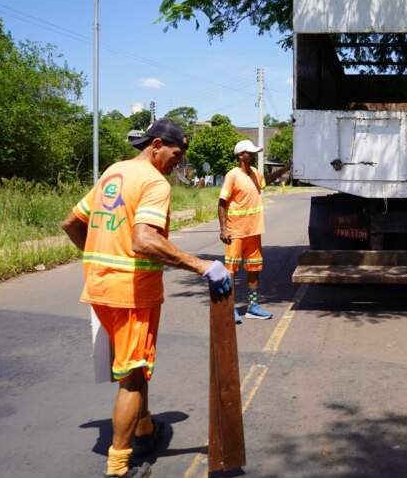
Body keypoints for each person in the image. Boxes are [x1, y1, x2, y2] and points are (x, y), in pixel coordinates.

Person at [61, 119, 232, 478]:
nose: (178, 161)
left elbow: (72, 224)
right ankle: (120, 465)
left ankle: (144, 428)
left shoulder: (114, 172)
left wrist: (97, 258)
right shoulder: (154, 182)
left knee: (132, 365)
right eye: (176, 153)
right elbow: (145, 240)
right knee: (134, 378)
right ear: (156, 145)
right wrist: (201, 265)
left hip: (99, 287)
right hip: (132, 292)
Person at [218, 139, 290, 322]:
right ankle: (229, 308)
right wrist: (224, 229)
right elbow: (221, 204)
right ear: (241, 155)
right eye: (250, 152)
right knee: (231, 271)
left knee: (254, 268)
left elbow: (267, 181)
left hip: (254, 231)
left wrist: (285, 169)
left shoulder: (254, 173)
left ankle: (252, 306)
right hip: (236, 232)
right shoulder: (232, 175)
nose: (254, 155)